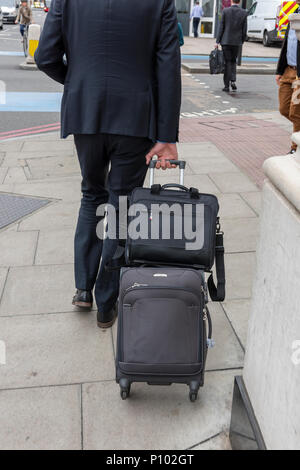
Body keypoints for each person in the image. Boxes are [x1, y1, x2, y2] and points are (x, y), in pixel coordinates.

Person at [34, 0, 181, 329]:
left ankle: (83, 288)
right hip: (135, 117)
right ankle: (106, 302)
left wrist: (77, 84)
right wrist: (167, 135)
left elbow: (45, 57)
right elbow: (167, 67)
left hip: (85, 112)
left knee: (91, 194)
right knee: (120, 206)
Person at [276, 1, 300, 154]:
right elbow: (287, 43)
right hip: (288, 70)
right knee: (284, 109)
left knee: (295, 112)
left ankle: (295, 148)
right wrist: (279, 70)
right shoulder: (293, 10)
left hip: (299, 74)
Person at [215, 0, 248, 92]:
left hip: (226, 41)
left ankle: (226, 85)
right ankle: (233, 81)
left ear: (231, 1)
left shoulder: (225, 11)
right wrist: (242, 40)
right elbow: (244, 29)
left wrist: (217, 41)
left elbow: (221, 27)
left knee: (227, 62)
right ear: (239, 1)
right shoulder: (244, 13)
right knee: (233, 61)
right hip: (236, 42)